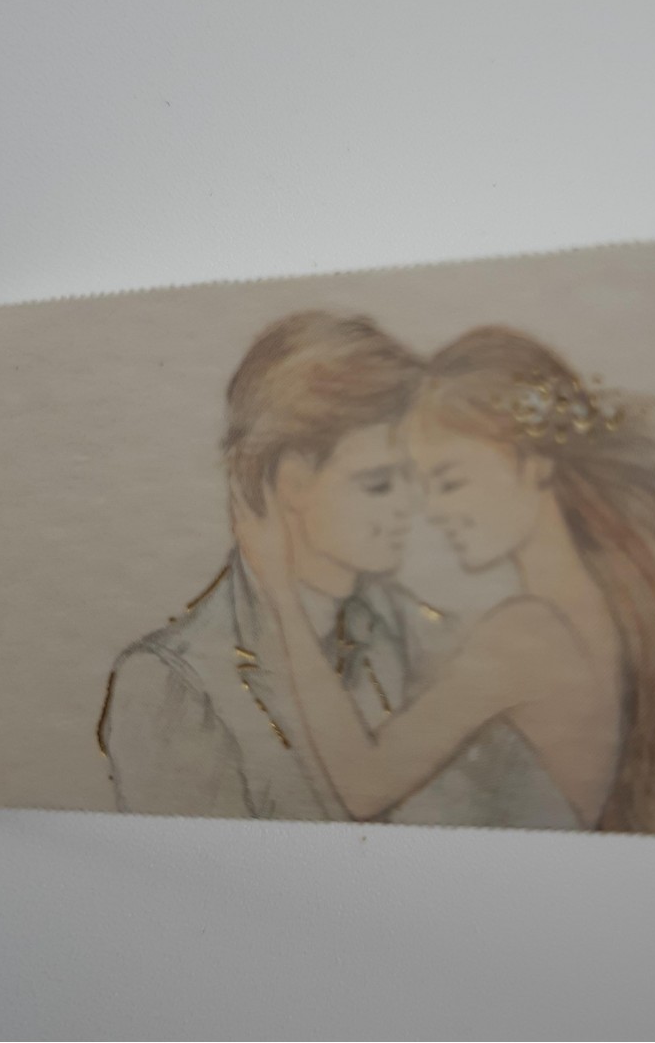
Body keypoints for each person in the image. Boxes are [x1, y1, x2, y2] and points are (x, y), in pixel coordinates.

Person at [236, 325, 655, 832]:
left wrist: (280, 591)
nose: (433, 510)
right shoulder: (591, 607)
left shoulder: (529, 633)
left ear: (533, 464)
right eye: (426, 485)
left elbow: (364, 786)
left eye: (450, 481)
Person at [100, 310, 452, 820]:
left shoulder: (416, 633)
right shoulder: (175, 683)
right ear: (292, 482)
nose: (409, 504)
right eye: (378, 483)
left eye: (411, 477)